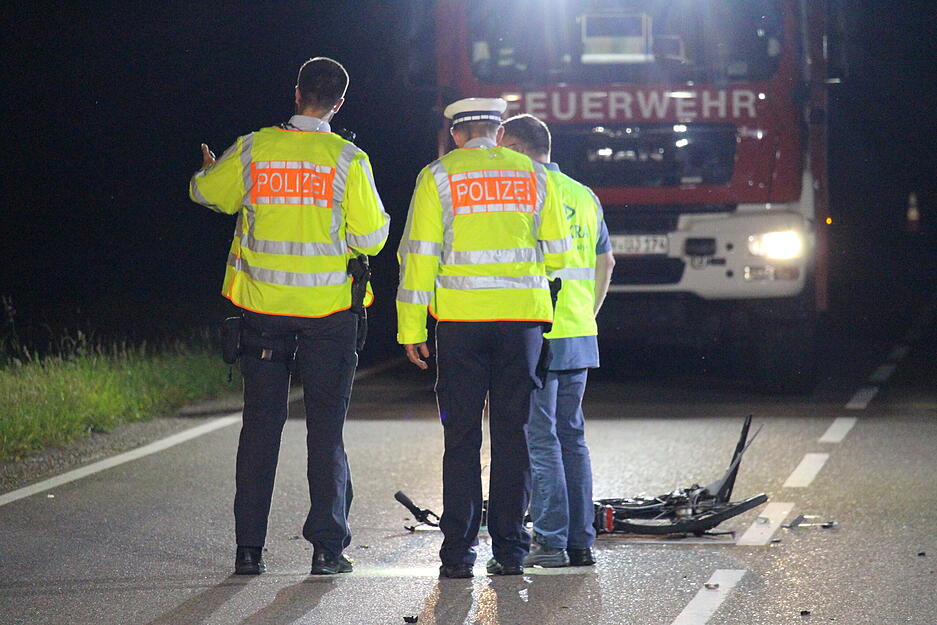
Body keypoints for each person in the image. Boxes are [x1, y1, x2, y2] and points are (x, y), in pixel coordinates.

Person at [188, 56, 389, 576]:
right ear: (338, 103)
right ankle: (327, 550)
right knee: (326, 431)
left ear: (295, 92)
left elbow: (207, 195)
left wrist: (210, 171)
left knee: (260, 427)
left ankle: (249, 551)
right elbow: (370, 238)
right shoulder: (348, 159)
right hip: (328, 315)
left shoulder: (255, 146)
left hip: (261, 312)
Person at [396, 98, 571, 578]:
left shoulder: (437, 177)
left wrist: (411, 327)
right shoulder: (535, 175)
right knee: (512, 437)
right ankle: (511, 551)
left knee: (462, 438)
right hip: (522, 326)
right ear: (497, 132)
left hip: (460, 326)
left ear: (456, 134)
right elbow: (559, 256)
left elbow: (418, 259)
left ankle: (457, 555)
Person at [499, 114, 614, 568]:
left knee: (540, 440)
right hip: (579, 331)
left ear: (514, 145)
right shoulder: (584, 195)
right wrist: (587, 312)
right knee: (571, 437)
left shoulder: (526, 192)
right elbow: (607, 263)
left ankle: (550, 542)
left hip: (539, 332)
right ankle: (580, 542)